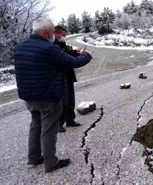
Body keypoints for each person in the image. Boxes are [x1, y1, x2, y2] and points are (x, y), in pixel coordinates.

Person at [14, 17, 93, 173]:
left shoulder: (20, 47)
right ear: (46, 32)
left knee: (35, 125)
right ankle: (51, 162)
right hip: (48, 96)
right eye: (51, 32)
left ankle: (34, 158)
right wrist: (88, 56)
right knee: (49, 129)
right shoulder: (49, 49)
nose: (53, 35)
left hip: (29, 96)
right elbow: (73, 62)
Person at [54, 26, 81, 132]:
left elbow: (67, 55)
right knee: (63, 101)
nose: (65, 37)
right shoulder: (53, 45)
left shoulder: (61, 43)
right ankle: (59, 123)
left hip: (68, 74)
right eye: (63, 35)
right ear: (56, 33)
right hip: (61, 77)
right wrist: (76, 54)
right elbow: (62, 57)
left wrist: (75, 52)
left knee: (70, 99)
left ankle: (70, 119)